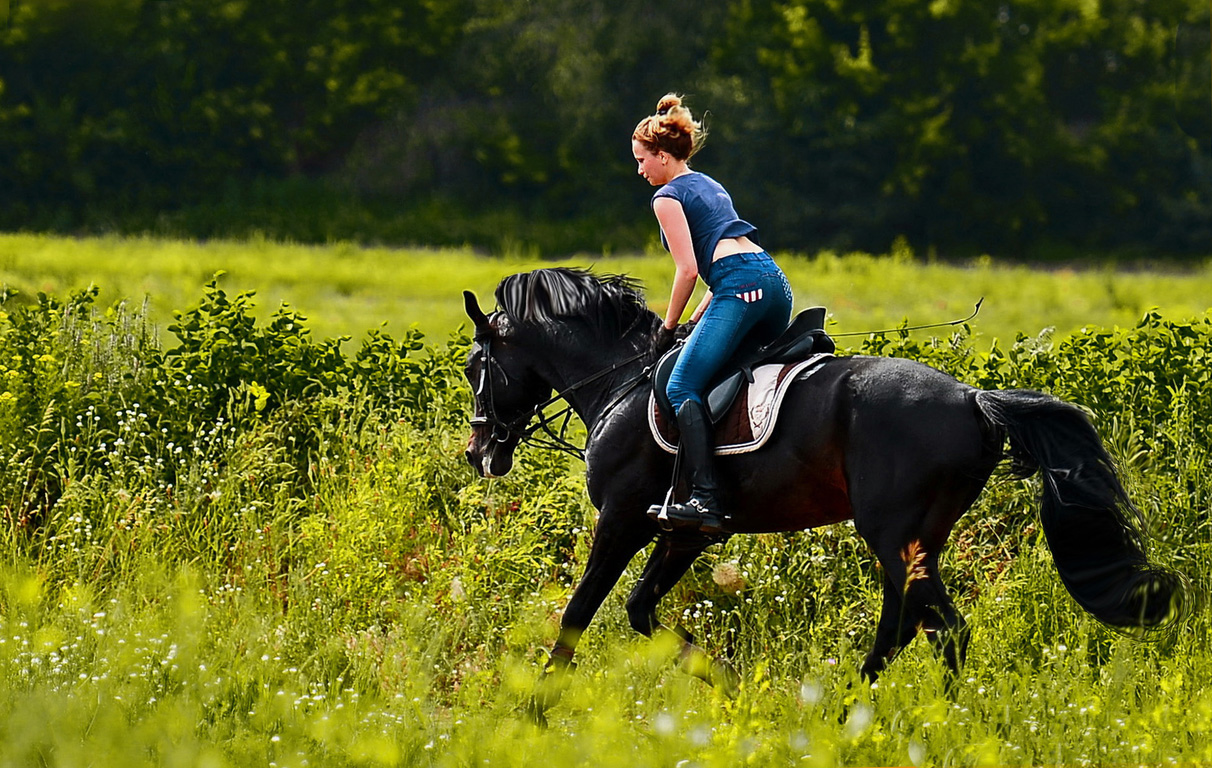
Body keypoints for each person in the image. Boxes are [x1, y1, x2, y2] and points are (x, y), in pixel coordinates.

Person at [632, 93, 793, 534]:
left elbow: (687, 270)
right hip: (774, 285)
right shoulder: (709, 183)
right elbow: (716, 273)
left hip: (740, 288)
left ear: (663, 156)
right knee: (718, 367)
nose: (640, 170)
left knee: (683, 382)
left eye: (643, 160)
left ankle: (705, 498)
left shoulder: (666, 198)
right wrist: (698, 318)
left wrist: (666, 328)